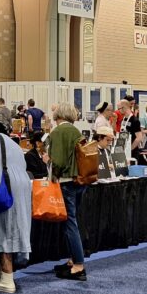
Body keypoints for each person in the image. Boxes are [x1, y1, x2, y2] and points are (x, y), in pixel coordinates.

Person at [0, 128, 32, 294]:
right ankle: (1, 270)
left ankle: (7, 278)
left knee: (3, 229)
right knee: (15, 227)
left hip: (4, 185)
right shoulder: (12, 142)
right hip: (22, 184)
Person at [48, 103, 87, 281]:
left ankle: (78, 265)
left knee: (70, 224)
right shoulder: (76, 132)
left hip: (66, 182)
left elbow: (59, 162)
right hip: (80, 181)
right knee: (73, 222)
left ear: (58, 115)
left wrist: (49, 163)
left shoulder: (57, 132)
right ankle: (74, 260)